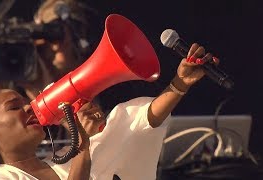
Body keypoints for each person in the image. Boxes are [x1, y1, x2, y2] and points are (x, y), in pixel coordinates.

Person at [35, 42, 218, 180]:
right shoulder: (8, 175)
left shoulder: (107, 135)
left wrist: (180, 83)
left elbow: (143, 118)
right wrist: (82, 142)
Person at [0, 84, 92, 180]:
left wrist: (86, 123)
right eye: (14, 107)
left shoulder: (67, 158)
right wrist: (82, 147)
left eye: (27, 103)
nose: (28, 107)